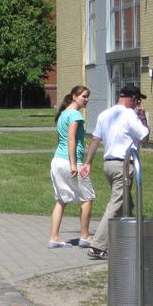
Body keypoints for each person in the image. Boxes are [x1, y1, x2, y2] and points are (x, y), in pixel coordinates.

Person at [81, 84, 149, 259]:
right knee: (117, 204)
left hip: (108, 164)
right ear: (132, 98)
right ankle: (98, 246)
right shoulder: (130, 115)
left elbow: (95, 139)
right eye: (138, 100)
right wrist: (143, 118)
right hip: (123, 165)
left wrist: (88, 162)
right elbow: (145, 137)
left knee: (128, 205)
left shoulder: (105, 114)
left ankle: (123, 241)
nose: (138, 104)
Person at [48, 85, 96, 249]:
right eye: (83, 96)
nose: (86, 99)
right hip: (70, 162)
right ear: (74, 96)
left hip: (57, 161)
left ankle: (54, 238)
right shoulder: (75, 114)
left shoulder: (63, 114)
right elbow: (70, 139)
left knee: (61, 200)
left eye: (87, 96)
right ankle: (84, 236)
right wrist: (74, 164)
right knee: (87, 198)